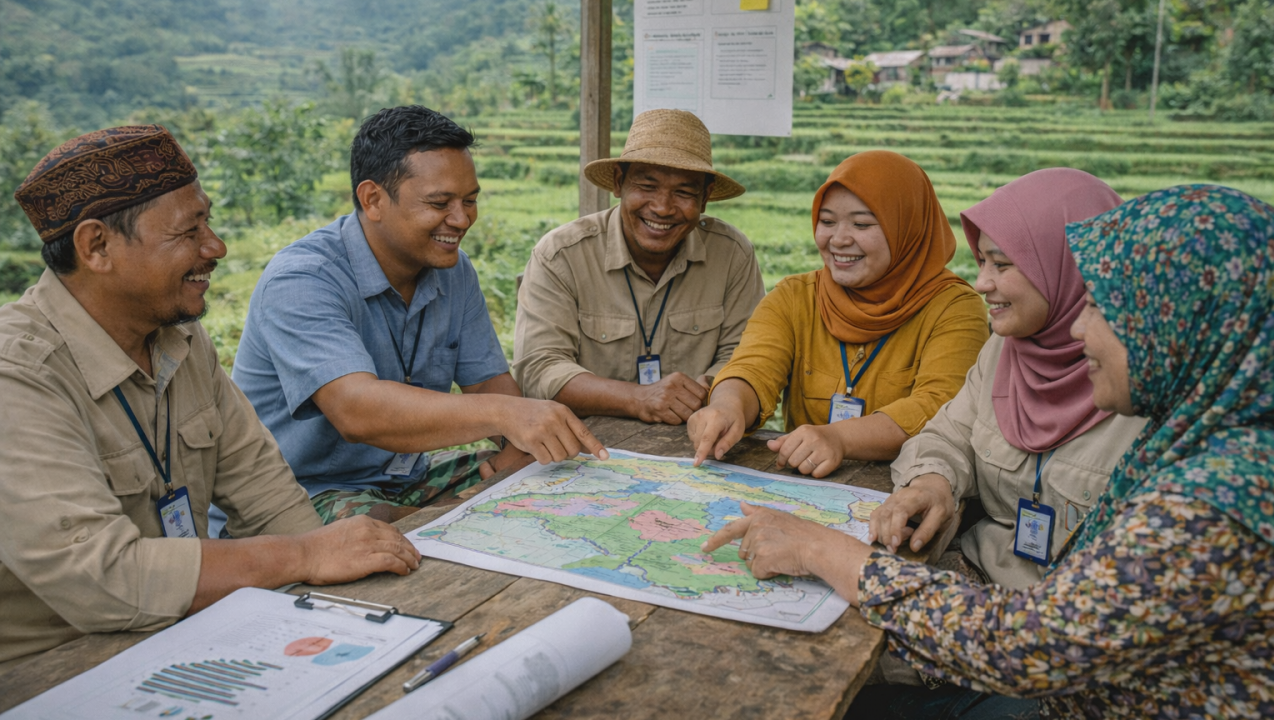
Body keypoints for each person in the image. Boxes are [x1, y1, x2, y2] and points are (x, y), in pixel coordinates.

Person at [703, 184, 1274, 718]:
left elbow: (1029, 647)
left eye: (1104, 309)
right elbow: (948, 433)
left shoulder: (1218, 498)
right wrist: (934, 481)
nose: (1081, 330)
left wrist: (823, 551)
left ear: (1182, 325)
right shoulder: (1202, 436)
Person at [0, 126, 421, 671]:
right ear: (96, 246)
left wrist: (334, 570)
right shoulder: (19, 375)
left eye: (209, 221)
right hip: (54, 668)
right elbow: (101, 579)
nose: (215, 247)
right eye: (188, 231)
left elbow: (268, 497)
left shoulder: (180, 338)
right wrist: (305, 555)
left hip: (188, 635)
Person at [228, 106, 606, 528]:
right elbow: (356, 411)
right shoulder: (303, 280)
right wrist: (507, 416)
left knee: (556, 476)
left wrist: (519, 443)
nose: (461, 220)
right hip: (298, 492)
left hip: (402, 477)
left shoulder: (453, 270)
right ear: (373, 199)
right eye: (439, 203)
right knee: (386, 530)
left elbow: (486, 381)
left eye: (470, 200)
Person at [872, 169, 1148, 587]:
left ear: (1069, 268)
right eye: (982, 261)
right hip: (976, 574)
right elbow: (948, 434)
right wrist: (932, 482)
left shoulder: (1145, 385)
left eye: (1002, 264)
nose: (982, 282)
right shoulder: (1007, 347)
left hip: (1067, 615)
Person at [688, 151, 989, 473]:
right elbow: (753, 366)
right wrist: (727, 405)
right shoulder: (793, 298)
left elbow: (939, 407)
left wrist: (839, 439)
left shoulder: (954, 308)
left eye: (861, 224)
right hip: (803, 483)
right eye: (827, 221)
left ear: (908, 226)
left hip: (909, 487)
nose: (839, 239)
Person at [512, 109, 765, 425]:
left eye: (684, 192)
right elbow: (539, 367)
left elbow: (746, 356)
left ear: (705, 198)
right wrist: (638, 399)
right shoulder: (562, 256)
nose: (662, 207)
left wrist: (708, 394)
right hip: (586, 446)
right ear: (619, 183)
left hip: (696, 440)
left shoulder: (731, 255)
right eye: (647, 186)